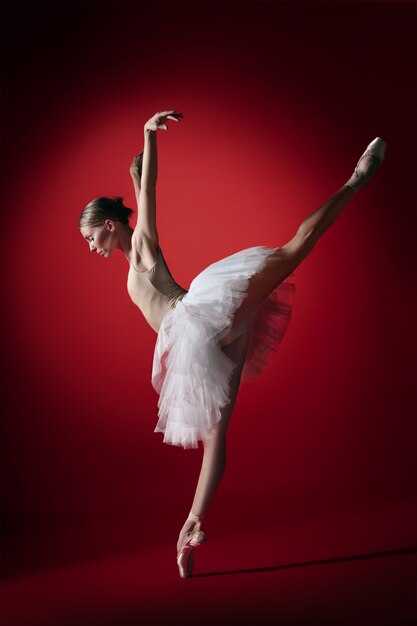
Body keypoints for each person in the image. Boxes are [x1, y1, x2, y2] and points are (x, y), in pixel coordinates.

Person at [78, 110, 387, 578]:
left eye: (90, 235)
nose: (90, 246)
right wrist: (134, 167)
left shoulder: (139, 244)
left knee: (290, 251)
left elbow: (150, 192)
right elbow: (142, 181)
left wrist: (147, 134)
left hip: (200, 320)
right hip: (197, 345)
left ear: (109, 224)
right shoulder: (130, 255)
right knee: (216, 437)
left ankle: (356, 179)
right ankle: (192, 527)